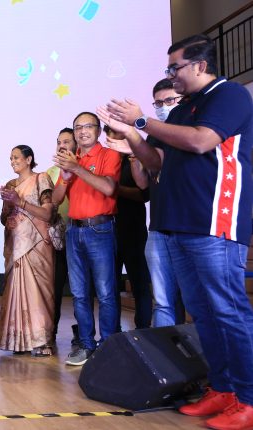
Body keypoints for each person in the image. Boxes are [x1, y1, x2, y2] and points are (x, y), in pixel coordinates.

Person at [105, 34, 253, 429]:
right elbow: (156, 161)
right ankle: (223, 388)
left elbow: (203, 141)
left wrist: (142, 120)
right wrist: (132, 135)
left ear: (200, 65)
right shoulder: (182, 108)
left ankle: (249, 398)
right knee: (202, 312)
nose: (171, 74)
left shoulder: (230, 95)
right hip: (176, 224)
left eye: (176, 67)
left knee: (228, 311)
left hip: (212, 222)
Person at [99, 79, 186, 327]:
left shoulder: (185, 135)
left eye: (169, 100)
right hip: (137, 228)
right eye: (158, 103)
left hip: (145, 228)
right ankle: (135, 339)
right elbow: (147, 182)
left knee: (151, 287)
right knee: (159, 299)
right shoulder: (147, 144)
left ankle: (149, 330)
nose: (163, 107)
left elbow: (142, 192)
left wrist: (133, 155)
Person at [52, 112, 121, 367]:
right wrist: (66, 175)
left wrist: (76, 169)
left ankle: (108, 345)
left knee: (105, 292)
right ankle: (86, 344)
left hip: (100, 229)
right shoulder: (72, 159)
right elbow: (56, 199)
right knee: (79, 294)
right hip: (74, 230)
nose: (82, 131)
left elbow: (109, 188)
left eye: (88, 126)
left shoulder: (109, 154)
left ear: (98, 130)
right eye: (78, 127)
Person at [0, 144, 56, 356]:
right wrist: (8, 206)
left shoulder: (42, 179)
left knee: (38, 293)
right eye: (11, 158)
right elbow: (4, 219)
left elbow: (47, 214)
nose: (13, 162)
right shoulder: (10, 184)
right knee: (15, 290)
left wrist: (20, 202)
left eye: (16, 158)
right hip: (16, 245)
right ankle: (19, 341)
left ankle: (42, 342)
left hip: (37, 244)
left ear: (29, 159)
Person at [103, 125, 152, 330]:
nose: (116, 138)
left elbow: (144, 194)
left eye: (120, 133)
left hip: (132, 229)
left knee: (140, 283)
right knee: (109, 286)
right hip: (106, 231)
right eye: (112, 133)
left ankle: (143, 330)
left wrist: (115, 189)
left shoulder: (136, 158)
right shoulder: (105, 160)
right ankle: (113, 332)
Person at [45, 128, 78, 345]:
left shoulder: (82, 166)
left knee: (80, 288)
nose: (61, 145)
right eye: (58, 142)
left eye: (66, 141)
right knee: (54, 287)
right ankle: (51, 331)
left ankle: (82, 333)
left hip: (80, 233)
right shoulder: (50, 172)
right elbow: (51, 203)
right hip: (58, 238)